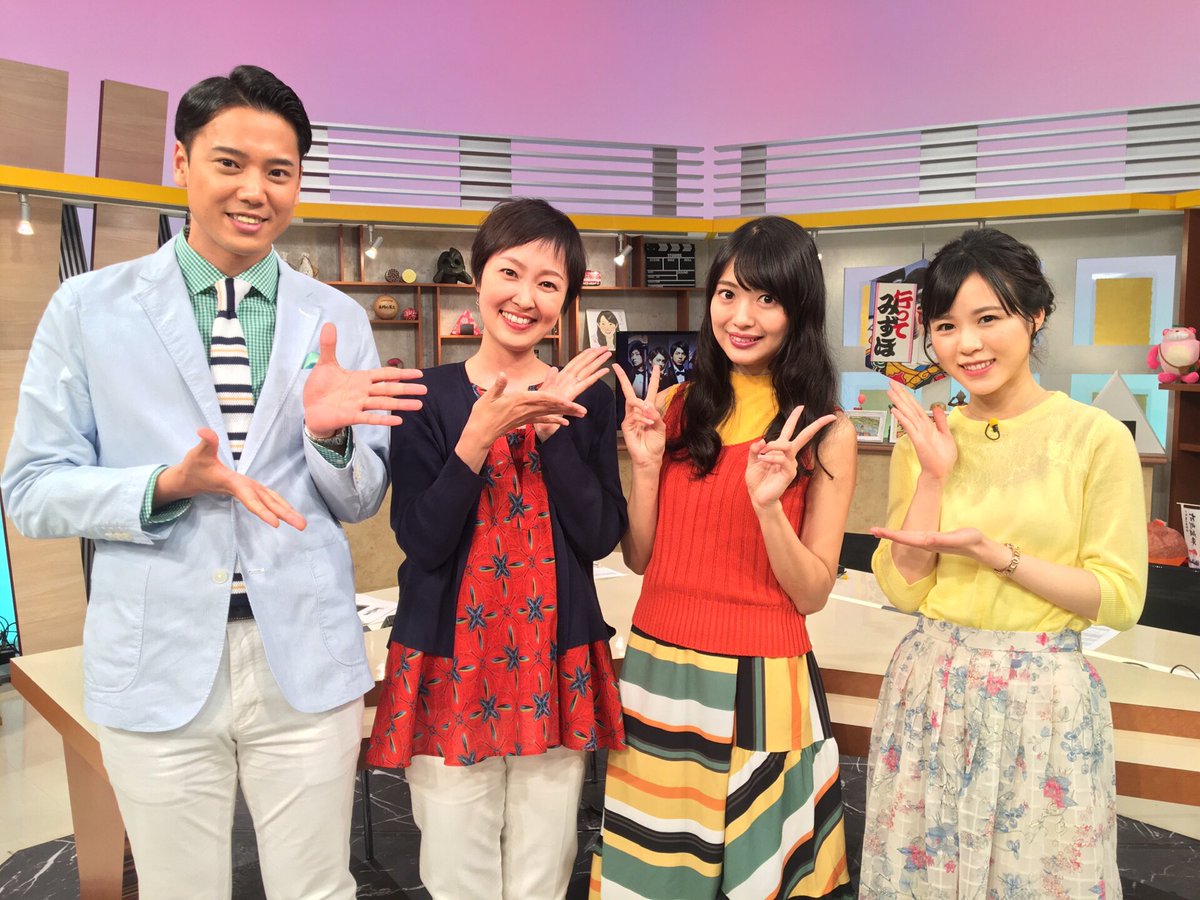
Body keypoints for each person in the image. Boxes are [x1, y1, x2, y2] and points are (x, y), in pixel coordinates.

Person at [1, 66, 426, 898]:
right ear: (182, 162)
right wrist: (163, 485)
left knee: (317, 887)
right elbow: (32, 490)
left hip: (303, 653)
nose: (254, 191)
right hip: (157, 653)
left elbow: (359, 500)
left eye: (279, 171)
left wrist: (329, 437)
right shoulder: (88, 308)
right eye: (230, 163)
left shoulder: (336, 319)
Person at [861, 228, 1147, 898]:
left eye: (988, 318)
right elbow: (904, 589)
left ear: (1035, 315)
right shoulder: (926, 436)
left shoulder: (1095, 437)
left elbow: (1119, 598)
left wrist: (997, 556)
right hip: (930, 688)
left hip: (1043, 701)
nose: (967, 344)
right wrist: (934, 475)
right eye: (946, 326)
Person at [366, 198, 628, 900]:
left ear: (565, 300)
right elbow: (421, 540)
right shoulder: (424, 395)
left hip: (554, 656)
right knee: (457, 867)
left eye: (548, 283)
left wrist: (551, 435)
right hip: (452, 658)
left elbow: (599, 534)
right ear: (479, 276)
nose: (525, 297)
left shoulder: (587, 397)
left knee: (545, 863)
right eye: (510, 272)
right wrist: (477, 439)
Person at [591, 216, 857, 899]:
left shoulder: (825, 430)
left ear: (799, 310)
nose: (742, 317)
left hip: (763, 676)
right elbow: (641, 559)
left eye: (768, 298)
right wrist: (643, 466)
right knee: (656, 873)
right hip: (660, 667)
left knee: (759, 874)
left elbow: (812, 592)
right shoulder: (677, 407)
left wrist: (768, 507)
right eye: (729, 293)